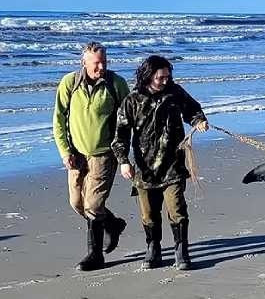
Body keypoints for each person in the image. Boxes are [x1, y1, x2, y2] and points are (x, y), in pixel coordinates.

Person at [112, 55, 209, 270]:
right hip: (144, 169)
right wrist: (123, 162)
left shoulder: (175, 93)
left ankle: (181, 250)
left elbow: (192, 109)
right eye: (161, 77)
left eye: (168, 76)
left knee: (177, 208)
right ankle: (153, 248)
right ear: (148, 76)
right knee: (148, 213)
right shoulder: (132, 100)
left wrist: (199, 120)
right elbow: (120, 135)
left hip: (173, 164)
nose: (166, 80)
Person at [51, 41, 130, 271]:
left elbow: (127, 119)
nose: (101, 67)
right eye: (96, 63)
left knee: (93, 204)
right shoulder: (69, 83)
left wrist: (123, 153)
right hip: (76, 155)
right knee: (77, 203)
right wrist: (65, 151)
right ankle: (113, 224)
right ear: (83, 62)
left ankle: (95, 255)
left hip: (104, 154)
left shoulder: (116, 84)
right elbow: (58, 120)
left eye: (104, 62)